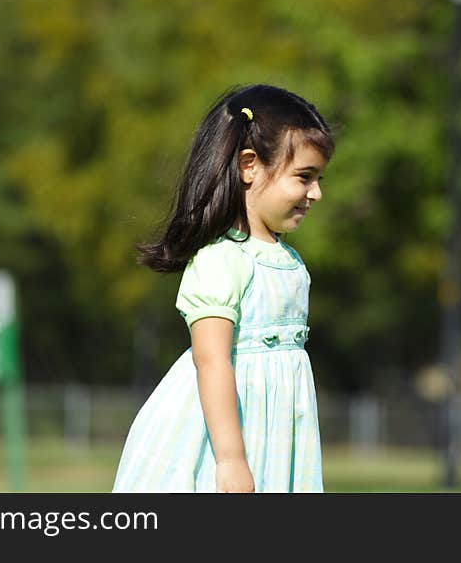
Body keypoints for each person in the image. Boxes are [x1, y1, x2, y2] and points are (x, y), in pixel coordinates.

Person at [113, 84, 335, 493]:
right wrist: (231, 459)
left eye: (319, 178)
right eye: (305, 177)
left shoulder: (289, 261)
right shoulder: (222, 261)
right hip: (225, 436)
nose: (316, 193)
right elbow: (211, 360)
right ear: (249, 165)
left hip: (277, 435)